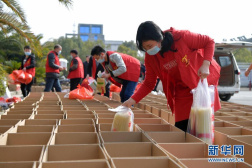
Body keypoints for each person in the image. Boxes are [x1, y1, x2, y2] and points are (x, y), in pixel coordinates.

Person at [122, 21, 221, 132]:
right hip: (181, 93)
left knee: (202, 129)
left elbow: (209, 42)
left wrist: (206, 64)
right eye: (145, 48)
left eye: (149, 46)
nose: (148, 50)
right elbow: (149, 83)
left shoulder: (181, 37)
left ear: (159, 38)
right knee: (182, 129)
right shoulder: (151, 57)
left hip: (199, 86)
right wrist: (131, 100)